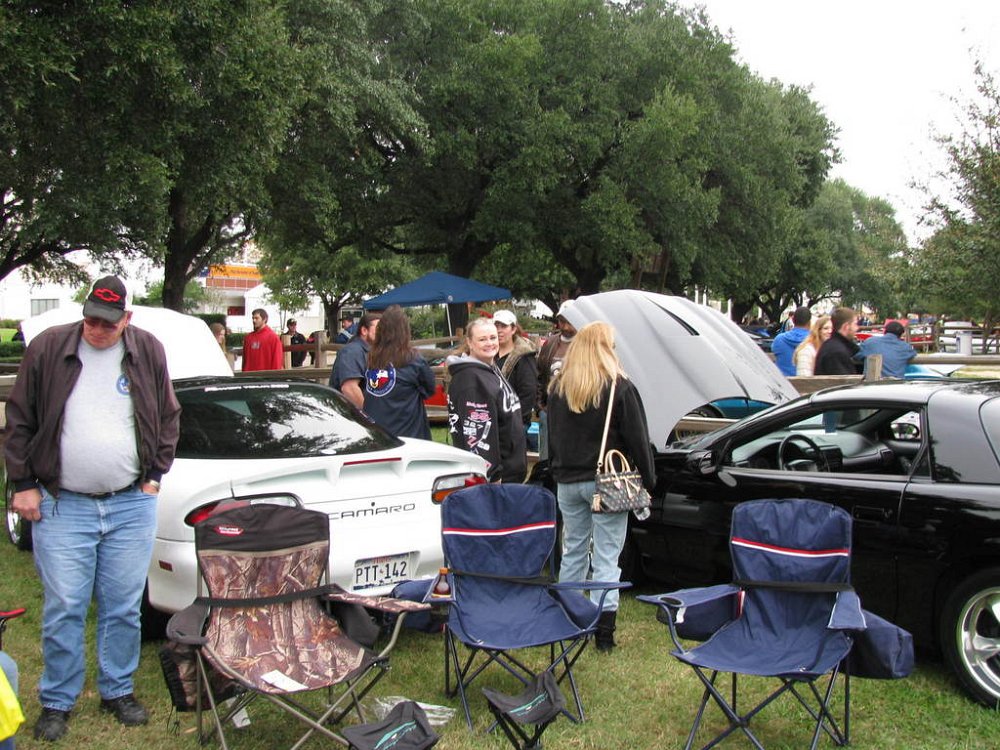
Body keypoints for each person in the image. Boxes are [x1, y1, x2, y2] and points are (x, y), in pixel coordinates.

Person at [4, 275, 181, 742]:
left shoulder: (148, 350)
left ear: (127, 318)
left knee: (123, 606)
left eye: (108, 323)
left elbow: (168, 415)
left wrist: (154, 475)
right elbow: (19, 418)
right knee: (65, 605)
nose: (97, 330)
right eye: (91, 320)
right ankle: (58, 699)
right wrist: (23, 483)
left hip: (130, 504)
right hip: (63, 503)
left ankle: (117, 690)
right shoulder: (49, 347)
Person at [547, 322, 654, 653]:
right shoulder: (619, 386)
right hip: (607, 481)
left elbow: (552, 437)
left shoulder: (559, 387)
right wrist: (649, 480)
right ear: (607, 349)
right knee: (606, 557)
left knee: (573, 551)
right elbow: (638, 439)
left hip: (567, 479)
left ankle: (568, 620)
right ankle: (603, 632)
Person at [446, 318, 526, 483]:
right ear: (470, 342)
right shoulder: (471, 380)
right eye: (482, 339)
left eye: (493, 337)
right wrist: (492, 476)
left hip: (510, 471)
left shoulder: (489, 369)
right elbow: (477, 434)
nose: (490, 343)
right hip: (495, 479)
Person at [362, 306, 435, 439]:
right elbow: (429, 389)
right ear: (405, 331)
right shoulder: (413, 359)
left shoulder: (371, 357)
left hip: (376, 434)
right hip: (407, 435)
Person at [536, 301, 577, 459]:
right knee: (546, 457)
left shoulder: (586, 344)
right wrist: (540, 406)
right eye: (562, 321)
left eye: (569, 321)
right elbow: (539, 374)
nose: (565, 326)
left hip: (576, 411)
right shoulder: (551, 343)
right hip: (550, 409)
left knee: (570, 456)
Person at [493, 310, 539, 450]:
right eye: (496, 326)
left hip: (514, 422)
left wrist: (517, 420)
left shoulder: (524, 356)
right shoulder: (489, 354)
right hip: (493, 419)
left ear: (513, 329)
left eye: (504, 326)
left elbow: (528, 391)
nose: (499, 330)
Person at [329, 312, 381, 409]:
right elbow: (349, 389)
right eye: (379, 328)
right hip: (348, 415)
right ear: (364, 330)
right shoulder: (352, 351)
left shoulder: (369, 351)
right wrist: (368, 415)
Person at [814, 306, 861, 375]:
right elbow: (844, 380)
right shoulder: (836, 352)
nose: (857, 328)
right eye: (855, 324)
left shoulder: (831, 346)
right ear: (846, 326)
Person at [771, 306, 811, 376]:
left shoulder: (779, 339)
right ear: (809, 322)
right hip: (808, 381)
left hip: (782, 381)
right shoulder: (814, 340)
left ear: (792, 320)